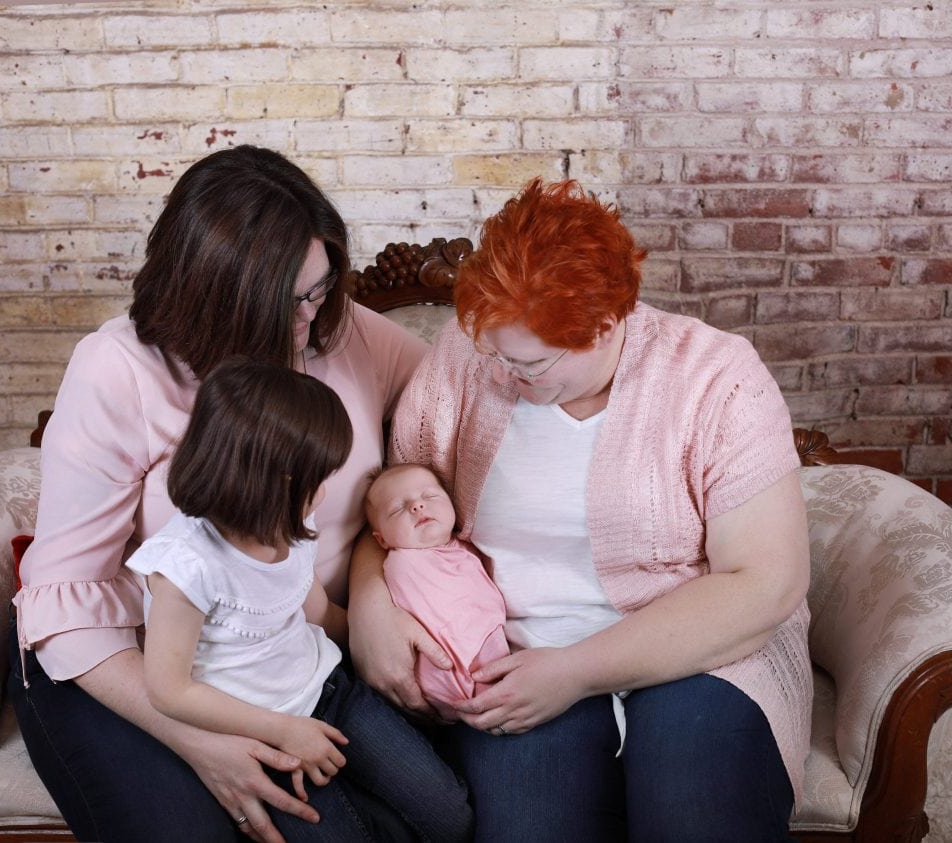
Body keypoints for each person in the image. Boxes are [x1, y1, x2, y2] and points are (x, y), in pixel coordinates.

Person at [348, 178, 812, 841]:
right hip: (515, 658)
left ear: (605, 323)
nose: (505, 373)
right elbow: (391, 511)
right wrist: (369, 601)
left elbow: (765, 584)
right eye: (496, 353)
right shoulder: (466, 356)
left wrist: (575, 671)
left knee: (692, 814)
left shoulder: (717, 377)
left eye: (530, 363)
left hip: (701, 657)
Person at [8, 145, 435, 843]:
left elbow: (463, 401)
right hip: (123, 654)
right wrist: (195, 737)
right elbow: (66, 599)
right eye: (291, 299)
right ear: (221, 294)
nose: (313, 317)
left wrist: (375, 590)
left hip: (287, 643)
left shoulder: (339, 328)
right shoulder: (118, 369)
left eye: (322, 288)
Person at [126, 359, 472, 843]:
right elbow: (167, 690)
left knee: (450, 818)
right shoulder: (187, 567)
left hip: (332, 692)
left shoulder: (293, 531)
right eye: (319, 479)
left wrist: (392, 633)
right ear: (272, 483)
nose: (327, 492)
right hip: (262, 733)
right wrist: (285, 731)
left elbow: (317, 613)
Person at [364, 462, 510, 720]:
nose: (417, 506)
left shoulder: (467, 547)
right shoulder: (403, 563)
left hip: (492, 659)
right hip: (450, 671)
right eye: (398, 509)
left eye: (430, 496)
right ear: (382, 539)